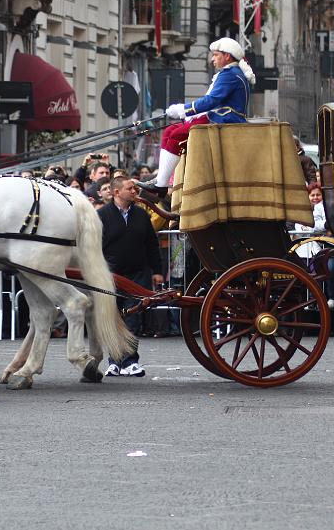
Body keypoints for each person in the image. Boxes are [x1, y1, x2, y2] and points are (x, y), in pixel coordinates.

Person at [138, 37, 254, 196]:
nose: (213, 59)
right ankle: (161, 180)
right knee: (170, 131)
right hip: (218, 117)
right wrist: (192, 113)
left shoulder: (229, 74)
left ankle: (162, 184)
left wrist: (184, 110)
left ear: (227, 56)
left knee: (177, 134)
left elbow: (211, 101)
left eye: (216, 55)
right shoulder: (231, 73)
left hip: (223, 120)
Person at [98, 176, 164, 376]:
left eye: (135, 188)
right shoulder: (102, 215)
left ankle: (130, 361)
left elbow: (152, 244)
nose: (135, 192)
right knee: (112, 318)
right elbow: (95, 248)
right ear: (117, 192)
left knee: (133, 317)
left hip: (138, 273)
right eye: (130, 189)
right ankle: (115, 361)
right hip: (111, 274)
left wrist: (158, 271)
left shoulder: (141, 215)